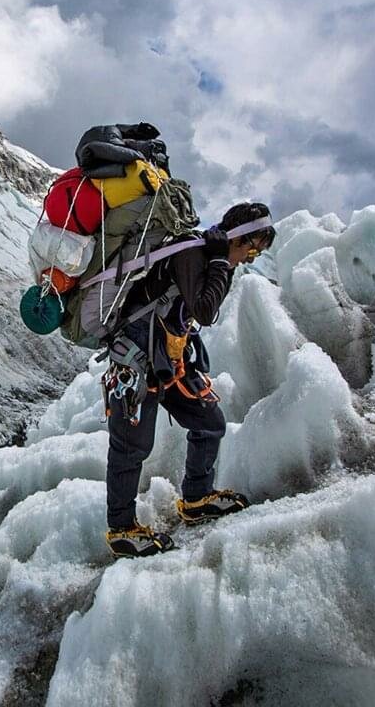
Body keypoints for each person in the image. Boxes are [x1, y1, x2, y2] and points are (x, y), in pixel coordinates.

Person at [104, 202, 276, 558]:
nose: (252, 257)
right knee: (130, 447)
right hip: (135, 361)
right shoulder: (193, 254)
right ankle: (122, 530)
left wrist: (219, 263)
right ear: (238, 237)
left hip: (167, 359)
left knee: (210, 422)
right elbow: (205, 311)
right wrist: (217, 262)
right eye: (252, 247)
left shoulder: (208, 256)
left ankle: (196, 498)